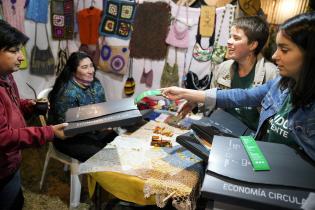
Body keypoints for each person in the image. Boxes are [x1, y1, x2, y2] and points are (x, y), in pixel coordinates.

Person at [162, 12, 315, 162]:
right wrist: (188, 95)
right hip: (256, 157)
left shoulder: (272, 74)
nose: (275, 56)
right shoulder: (280, 84)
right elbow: (240, 96)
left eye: (284, 49)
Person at [0, 20, 67, 210]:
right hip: (2, 170)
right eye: (13, 51)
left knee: (16, 201)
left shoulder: (6, 77)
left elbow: (11, 106)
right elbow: (3, 136)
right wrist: (49, 132)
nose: (21, 57)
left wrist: (30, 106)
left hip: (10, 165)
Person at [184, 16, 278, 131]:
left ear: (252, 45)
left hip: (251, 140)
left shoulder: (272, 75)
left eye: (236, 38)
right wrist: (195, 103)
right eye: (230, 36)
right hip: (221, 130)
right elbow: (213, 103)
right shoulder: (223, 67)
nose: (229, 41)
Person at [48, 51, 117, 162]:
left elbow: (102, 108)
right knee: (106, 158)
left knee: (122, 144)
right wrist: (98, 125)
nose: (91, 71)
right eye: (84, 67)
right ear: (74, 71)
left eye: (91, 66)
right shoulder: (67, 93)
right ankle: (101, 177)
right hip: (69, 138)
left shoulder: (96, 84)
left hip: (93, 130)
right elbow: (67, 128)